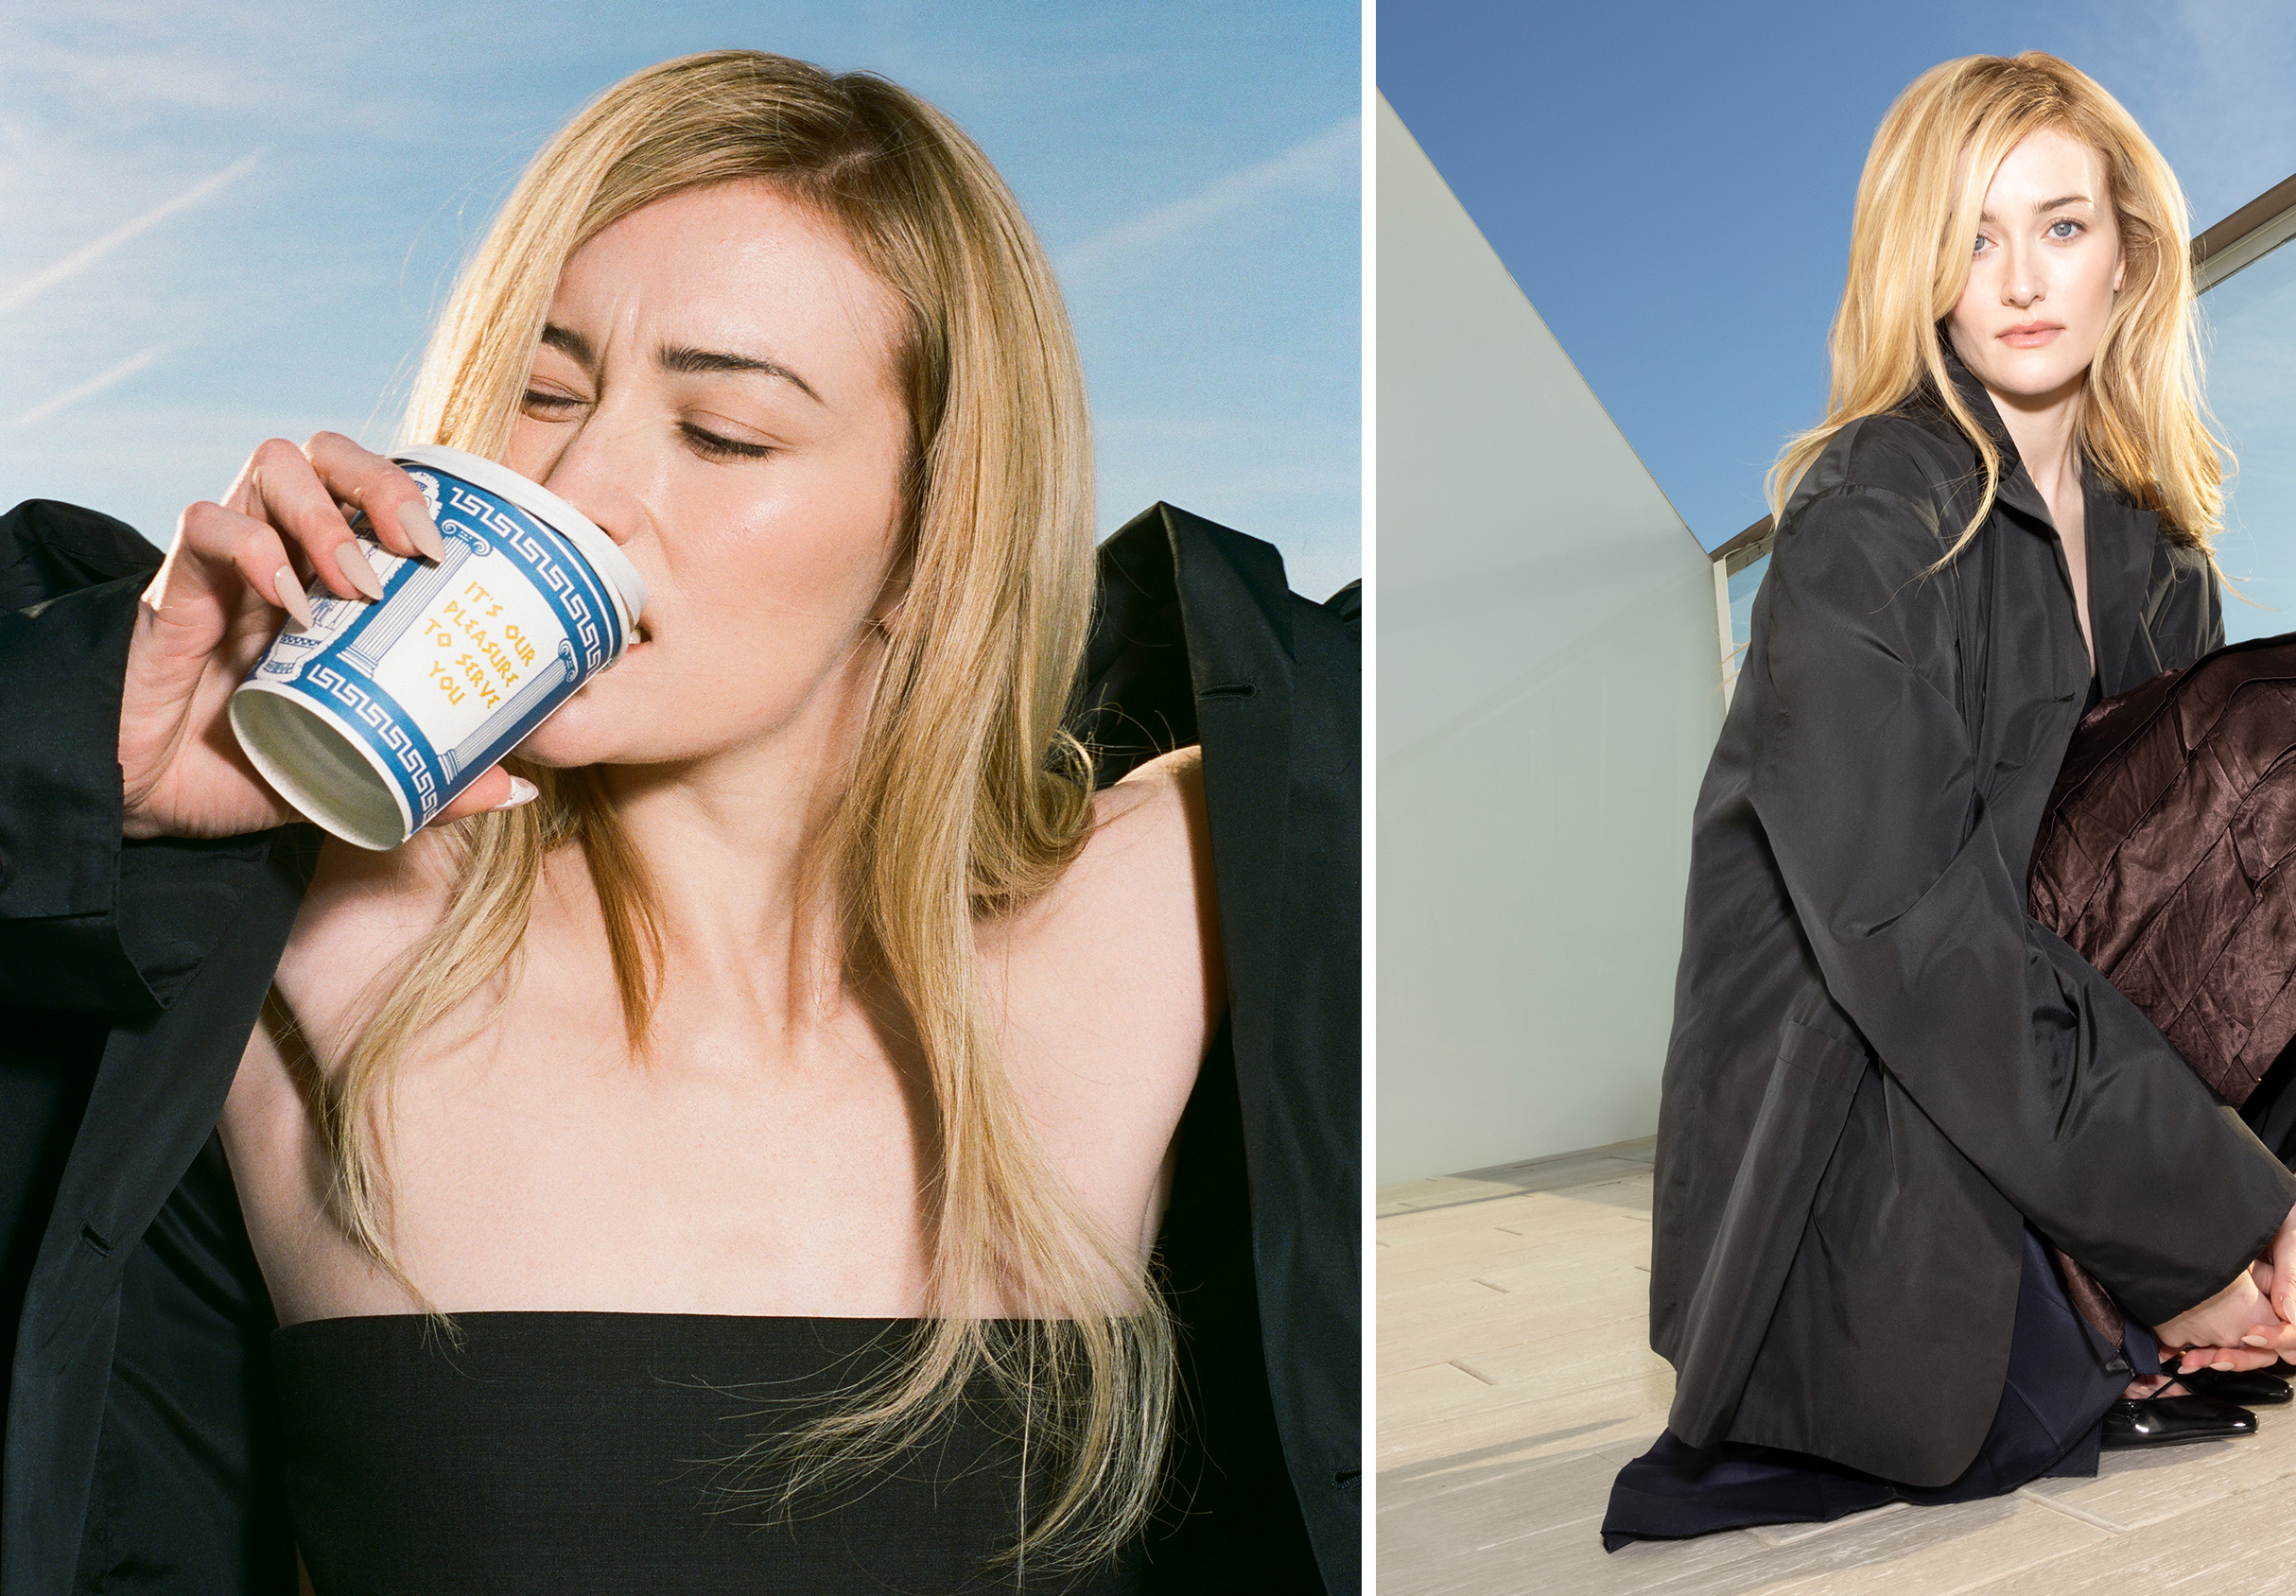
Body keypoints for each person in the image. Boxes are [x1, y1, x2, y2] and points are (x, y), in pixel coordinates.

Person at [0, 52, 1357, 1596]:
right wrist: (73, 755)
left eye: (723, 435)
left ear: (936, 534)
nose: (584, 485)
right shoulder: (292, 953)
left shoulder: (1174, 899)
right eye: (546, 388)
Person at [1608, 51, 2296, 1548]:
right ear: (1919, 270)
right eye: (1972, 237)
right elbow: (1915, 940)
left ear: (2127, 250)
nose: (2019, 279)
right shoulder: (1862, 517)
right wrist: (2197, 1229)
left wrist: (2289, 1182)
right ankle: (2111, 1287)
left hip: (2030, 1064)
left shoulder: (2147, 544)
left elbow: (2213, 889)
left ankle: (2133, 1276)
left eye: (2058, 227)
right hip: (1864, 1132)